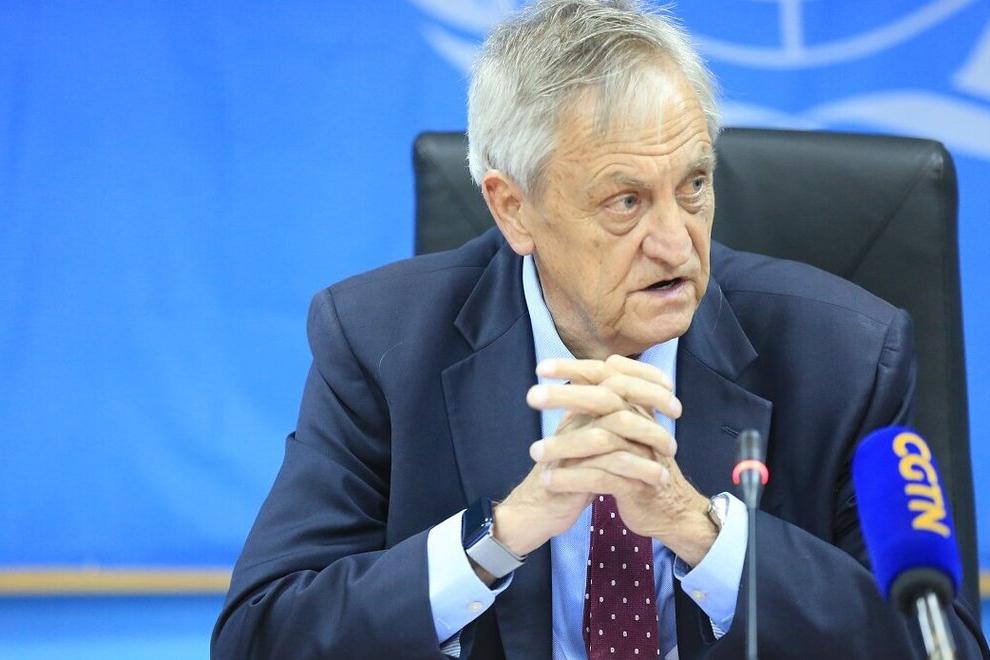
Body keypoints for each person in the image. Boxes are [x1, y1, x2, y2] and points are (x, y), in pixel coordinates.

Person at [212, 1, 988, 658]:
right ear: (513, 209)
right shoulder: (380, 343)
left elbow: (939, 643)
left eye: (693, 185)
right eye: (625, 202)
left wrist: (703, 532)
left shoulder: (845, 356)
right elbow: (261, 635)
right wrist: (499, 536)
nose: (677, 244)